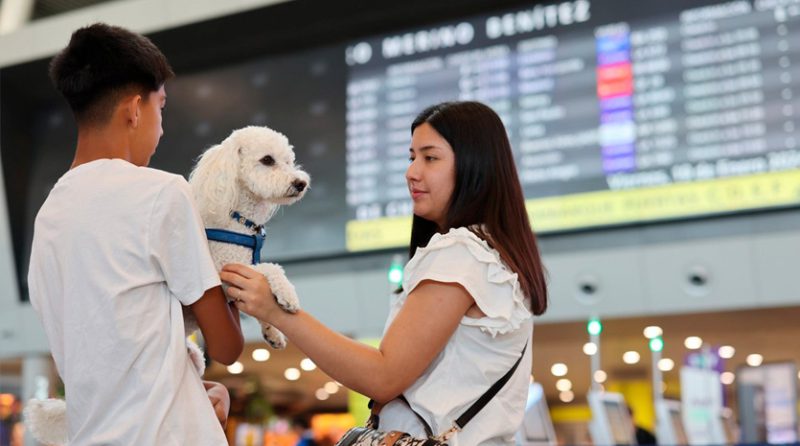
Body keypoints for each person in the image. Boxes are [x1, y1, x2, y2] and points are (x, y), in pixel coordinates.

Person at [224, 101, 548, 445]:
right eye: (412, 157)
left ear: (475, 165)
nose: (412, 172)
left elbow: (383, 376)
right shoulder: (494, 253)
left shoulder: (461, 253)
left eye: (430, 157)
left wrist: (278, 312)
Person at [27, 23, 243, 444]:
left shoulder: (48, 218)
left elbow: (109, 364)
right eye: (161, 107)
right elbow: (226, 347)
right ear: (134, 109)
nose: (161, 129)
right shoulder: (161, 192)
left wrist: (194, 388)